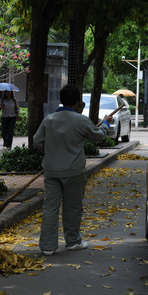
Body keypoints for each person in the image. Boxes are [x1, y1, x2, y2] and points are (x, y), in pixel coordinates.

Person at [33, 85, 113, 256]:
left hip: (51, 170)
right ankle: (73, 241)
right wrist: (105, 123)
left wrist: (49, 152)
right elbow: (98, 136)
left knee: (50, 208)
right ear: (77, 102)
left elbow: (37, 141)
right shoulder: (80, 120)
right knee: (72, 207)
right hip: (74, 172)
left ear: (61, 100)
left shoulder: (49, 119)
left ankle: (48, 246)